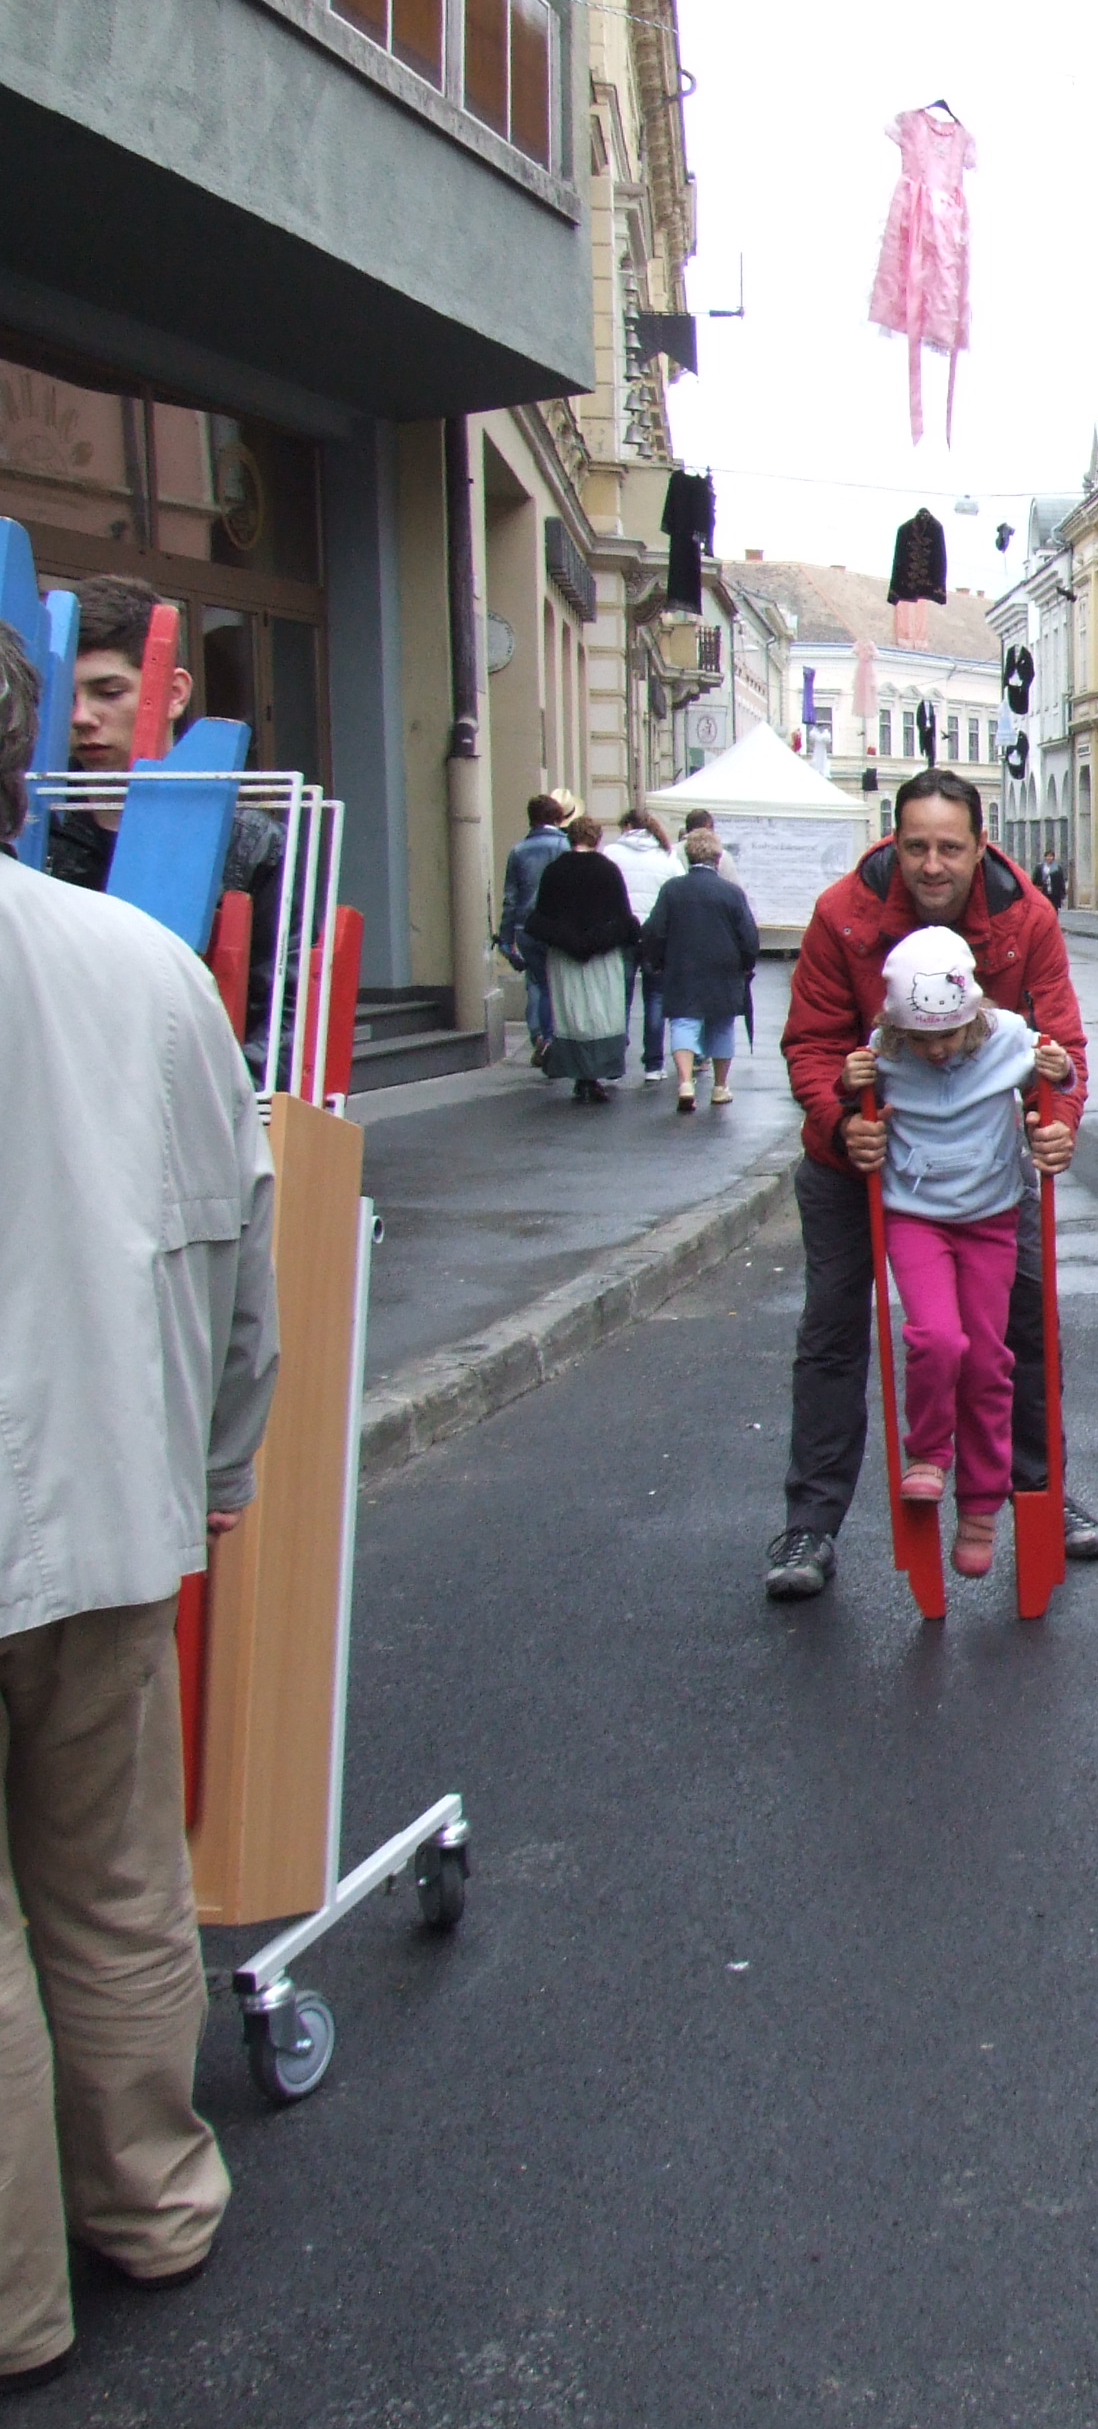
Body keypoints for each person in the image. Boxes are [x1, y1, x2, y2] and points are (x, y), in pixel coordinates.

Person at [0, 624, 279, 2396]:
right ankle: (153, 2201)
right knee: (112, 1874)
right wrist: (221, 1464)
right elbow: (241, 1249)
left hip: (80, 1493)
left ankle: (14, 2300)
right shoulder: (142, 967)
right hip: (103, 1495)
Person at [766, 770, 1098, 1601]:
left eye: (950, 848)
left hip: (983, 1168)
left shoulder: (1025, 917)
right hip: (858, 1156)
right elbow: (811, 1042)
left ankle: (1038, 1491)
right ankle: (812, 1521)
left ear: (979, 846)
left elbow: (1059, 1045)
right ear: (894, 841)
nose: (931, 864)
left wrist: (1056, 1121)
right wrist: (840, 1121)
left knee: (1022, 1327)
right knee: (835, 1329)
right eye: (916, 845)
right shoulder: (843, 915)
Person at [844, 927, 1054, 1581]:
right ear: (895, 1027)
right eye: (920, 1039)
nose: (935, 1051)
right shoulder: (885, 1052)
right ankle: (929, 1453)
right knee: (938, 1341)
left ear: (974, 1015)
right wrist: (847, 1084)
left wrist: (1060, 1074)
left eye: (949, 1036)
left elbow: (1060, 1071)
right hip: (916, 1218)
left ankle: (981, 1505)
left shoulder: (1008, 1037)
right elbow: (849, 1094)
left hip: (991, 1218)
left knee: (989, 1360)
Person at [44, 575, 286, 1066]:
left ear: (174, 694)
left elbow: (287, 1016)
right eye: (64, 697)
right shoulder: (32, 827)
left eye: (108, 692)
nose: (82, 717)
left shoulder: (253, 841)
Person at [522, 817, 641, 1103]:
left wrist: (569, 940)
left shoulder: (555, 871)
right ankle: (595, 1073)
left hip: (564, 955)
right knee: (601, 1013)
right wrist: (598, 940)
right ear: (597, 839)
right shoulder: (608, 870)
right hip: (602, 956)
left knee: (570, 1014)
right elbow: (621, 917)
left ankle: (579, 1074)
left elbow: (542, 917)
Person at [642, 826, 758, 1112]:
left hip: (683, 965)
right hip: (724, 968)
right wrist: (746, 964)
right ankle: (720, 1086)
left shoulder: (672, 890)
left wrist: (656, 962)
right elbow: (748, 935)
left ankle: (685, 1082)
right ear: (718, 858)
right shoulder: (732, 893)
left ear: (688, 855)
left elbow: (655, 930)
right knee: (721, 1025)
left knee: (683, 1022)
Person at [606, 808, 683, 1082]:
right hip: (656, 935)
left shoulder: (611, 854)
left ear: (627, 826)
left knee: (620, 997)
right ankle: (653, 1064)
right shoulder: (667, 856)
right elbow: (678, 892)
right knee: (655, 998)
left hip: (621, 933)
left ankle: (614, 1059)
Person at [499, 789, 573, 1057]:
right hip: (557, 926)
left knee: (536, 982)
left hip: (526, 927)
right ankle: (552, 1037)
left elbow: (510, 899)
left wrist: (505, 938)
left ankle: (538, 1035)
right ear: (557, 818)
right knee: (556, 984)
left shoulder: (518, 851)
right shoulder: (564, 847)